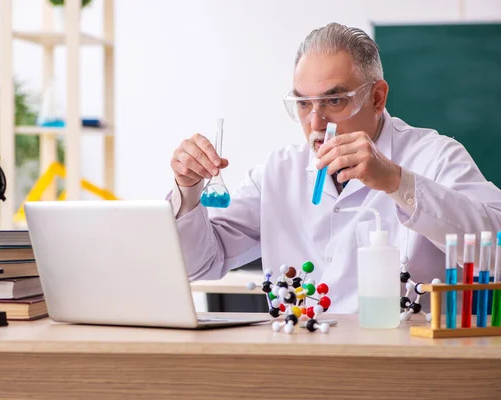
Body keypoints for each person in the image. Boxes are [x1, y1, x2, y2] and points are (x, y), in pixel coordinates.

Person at [166, 22, 501, 313]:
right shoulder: (278, 172)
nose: (315, 122)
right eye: (303, 104)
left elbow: (496, 251)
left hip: (404, 365)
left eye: (334, 101)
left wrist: (397, 182)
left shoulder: (434, 156)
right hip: (304, 361)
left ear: (376, 97)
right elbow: (198, 265)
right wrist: (188, 190)